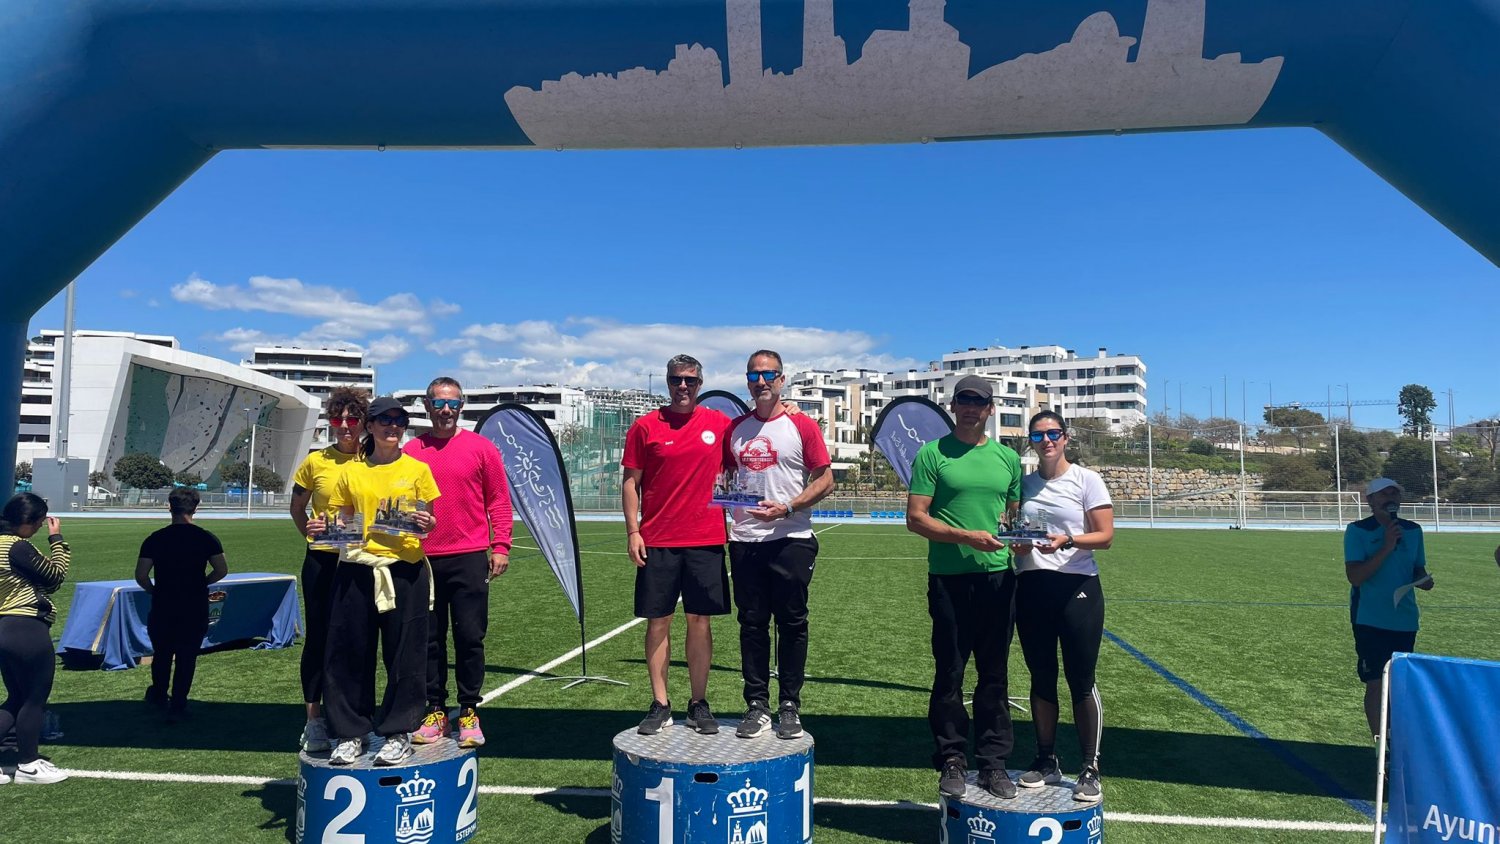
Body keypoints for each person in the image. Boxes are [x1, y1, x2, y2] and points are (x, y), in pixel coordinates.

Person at [905, 374, 1023, 800]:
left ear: (991, 409)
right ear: (953, 406)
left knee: (994, 674)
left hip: (998, 578)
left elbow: (1013, 519)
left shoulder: (1008, 458)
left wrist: (1021, 538)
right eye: (964, 400)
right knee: (950, 672)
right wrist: (966, 537)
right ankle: (952, 758)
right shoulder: (932, 454)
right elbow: (916, 518)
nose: (971, 408)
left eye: (979, 401)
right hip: (949, 579)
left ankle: (993, 763)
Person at [323, 396, 440, 766]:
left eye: (399, 420)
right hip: (358, 569)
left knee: (406, 654)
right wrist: (326, 529)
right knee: (349, 652)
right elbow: (342, 522)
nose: (393, 426)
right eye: (385, 420)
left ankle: (398, 732)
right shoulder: (351, 473)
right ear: (369, 426)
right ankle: (350, 733)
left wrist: (427, 523)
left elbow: (427, 521)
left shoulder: (418, 470)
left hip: (405, 570)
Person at [622, 353, 734, 736]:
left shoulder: (720, 425)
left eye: (689, 380)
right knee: (659, 621)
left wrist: (788, 408)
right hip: (658, 540)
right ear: (667, 383)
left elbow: (757, 432)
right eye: (675, 380)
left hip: (706, 539)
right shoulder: (644, 427)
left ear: (700, 384)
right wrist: (633, 531)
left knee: (700, 621)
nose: (682, 386)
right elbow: (631, 482)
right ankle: (660, 703)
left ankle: (698, 703)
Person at [725, 350, 833, 740]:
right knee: (752, 624)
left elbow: (826, 480)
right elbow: (725, 479)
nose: (762, 381)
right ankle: (756, 705)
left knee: (792, 623)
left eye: (769, 374)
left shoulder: (801, 424)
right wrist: (730, 503)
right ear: (747, 381)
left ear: (782, 379)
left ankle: (789, 705)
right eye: (754, 375)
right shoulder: (735, 429)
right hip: (746, 540)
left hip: (791, 538)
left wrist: (788, 507)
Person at [1008, 411, 1113, 803]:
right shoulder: (1023, 484)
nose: (1046, 441)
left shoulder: (1087, 480)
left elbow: (1105, 536)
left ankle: (1090, 767)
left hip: (1077, 588)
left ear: (1066, 438)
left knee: (1081, 679)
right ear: (1031, 442)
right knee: (1041, 677)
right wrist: (1018, 546)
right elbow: (1016, 533)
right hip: (1032, 586)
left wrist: (1067, 541)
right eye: (1038, 436)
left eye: (1053, 434)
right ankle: (1046, 759)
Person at [404, 377, 512, 749]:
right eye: (438, 403)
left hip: (469, 557)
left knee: (470, 638)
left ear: (461, 406)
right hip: (422, 560)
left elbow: (499, 500)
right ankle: (435, 709)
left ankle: (468, 711)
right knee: (429, 640)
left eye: (452, 403)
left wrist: (501, 546)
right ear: (427, 405)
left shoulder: (481, 449)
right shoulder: (411, 451)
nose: (446, 410)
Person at [289, 385, 369, 752]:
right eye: (338, 420)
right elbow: (296, 507)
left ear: (363, 421)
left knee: (357, 639)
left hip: (361, 561)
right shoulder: (315, 461)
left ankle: (355, 717)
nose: (345, 426)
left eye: (352, 419)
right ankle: (314, 720)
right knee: (319, 638)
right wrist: (311, 533)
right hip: (322, 560)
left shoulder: (374, 459)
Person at [1345, 477, 1433, 741]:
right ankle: (1379, 745)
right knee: (1376, 682)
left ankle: (1396, 740)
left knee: (1397, 684)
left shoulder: (1413, 530)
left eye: (1395, 494)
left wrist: (1424, 580)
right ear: (1370, 501)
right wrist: (1386, 546)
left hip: (1404, 619)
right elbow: (1356, 577)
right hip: (1369, 618)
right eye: (1384, 494)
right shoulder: (1358, 531)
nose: (1391, 498)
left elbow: (1417, 568)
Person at [134, 487, 229, 722]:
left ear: (169, 507)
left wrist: (153, 590)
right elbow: (221, 569)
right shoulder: (206, 538)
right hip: (194, 604)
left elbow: (141, 574)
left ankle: (159, 695)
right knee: (187, 656)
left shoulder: (155, 538)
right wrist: (202, 583)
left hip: (164, 603)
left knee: (162, 654)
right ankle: (179, 703)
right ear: (196, 508)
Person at [0, 492, 70, 784]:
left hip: (4, 625)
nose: (41, 526)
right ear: (27, 520)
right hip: (26, 626)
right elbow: (55, 576)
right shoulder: (17, 547)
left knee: (16, 698)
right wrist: (57, 540)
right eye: (40, 522)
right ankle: (28, 763)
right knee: (33, 698)